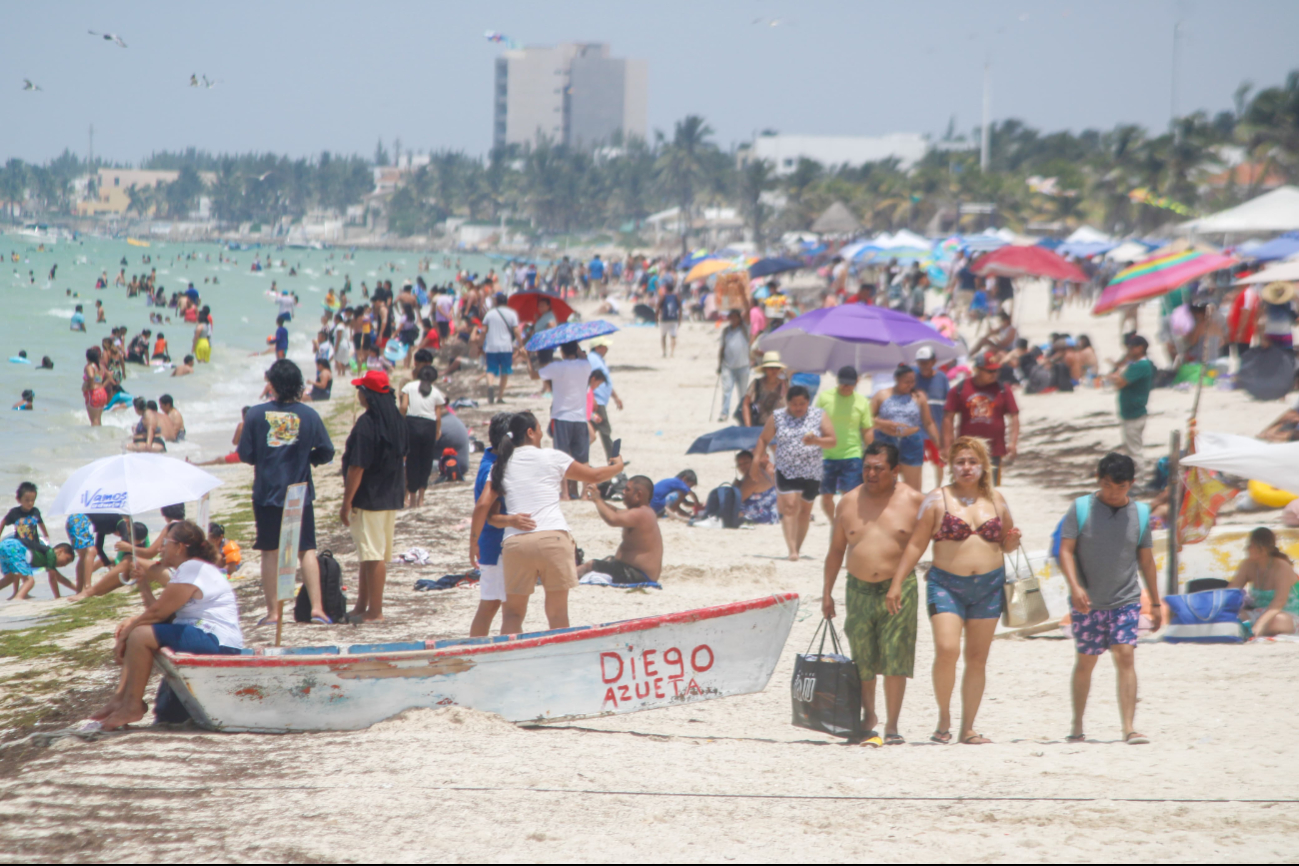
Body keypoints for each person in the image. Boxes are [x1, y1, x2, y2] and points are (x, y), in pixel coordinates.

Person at [888, 436, 1021, 745]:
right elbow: (918, 544)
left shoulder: (997, 500)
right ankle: (944, 718)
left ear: (984, 466)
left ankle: (968, 727)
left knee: (977, 658)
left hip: (988, 586)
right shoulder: (937, 499)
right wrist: (897, 582)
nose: (966, 467)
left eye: (972, 461)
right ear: (951, 466)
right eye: (960, 461)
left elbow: (1007, 542)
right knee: (947, 650)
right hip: (946, 583)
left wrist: (1012, 542)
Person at [469, 411, 625, 635]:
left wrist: (474, 542)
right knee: (557, 614)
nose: (543, 432)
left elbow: (483, 505)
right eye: (540, 428)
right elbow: (595, 476)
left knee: (513, 614)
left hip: (516, 543)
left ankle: (510, 660)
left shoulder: (500, 465)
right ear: (531, 433)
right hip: (553, 538)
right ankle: (561, 665)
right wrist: (617, 466)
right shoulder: (553, 457)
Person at [87, 521, 243, 731]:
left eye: (165, 543)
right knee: (136, 629)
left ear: (179, 547)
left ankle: (132, 705)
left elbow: (158, 613)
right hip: (206, 636)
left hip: (215, 640)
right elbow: (163, 615)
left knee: (139, 635)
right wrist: (143, 585)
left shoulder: (192, 567)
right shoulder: (188, 569)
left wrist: (128, 633)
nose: (160, 549)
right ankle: (121, 699)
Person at [822, 443, 926, 746]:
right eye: (867, 467)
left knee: (896, 656)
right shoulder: (848, 502)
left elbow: (921, 545)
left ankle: (892, 725)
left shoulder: (914, 501)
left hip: (899, 587)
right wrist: (826, 593)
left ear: (895, 470)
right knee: (862, 658)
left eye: (879, 468)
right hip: (857, 588)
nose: (871, 473)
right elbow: (836, 550)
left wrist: (898, 583)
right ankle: (869, 717)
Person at [1059, 453, 1161, 744]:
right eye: (1107, 485)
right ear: (1098, 480)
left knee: (1126, 655)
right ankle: (1077, 725)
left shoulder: (1141, 514)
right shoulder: (1080, 508)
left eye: (1120, 486)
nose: (1113, 492)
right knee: (1086, 662)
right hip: (1087, 602)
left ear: (1132, 483)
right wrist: (1075, 586)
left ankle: (1129, 727)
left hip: (1126, 599)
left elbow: (1146, 560)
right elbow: (1065, 550)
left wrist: (1154, 602)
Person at [238, 359, 336, 627]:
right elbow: (327, 451)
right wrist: (307, 458)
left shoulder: (256, 415)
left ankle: (274, 613)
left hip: (267, 493)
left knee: (270, 552)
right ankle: (316, 609)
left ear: (272, 384)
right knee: (306, 550)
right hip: (299, 492)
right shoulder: (309, 415)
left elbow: (245, 454)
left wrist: (267, 455)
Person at [340, 370, 408, 623]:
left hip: (369, 497)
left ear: (366, 394)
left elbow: (357, 467)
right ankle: (362, 605)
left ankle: (375, 611)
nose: (358, 394)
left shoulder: (368, 424)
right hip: (390, 494)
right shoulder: (397, 420)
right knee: (370, 553)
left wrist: (346, 502)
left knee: (373, 554)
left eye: (360, 389)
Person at [755, 385, 837, 561]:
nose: (799, 407)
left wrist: (816, 440)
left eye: (802, 403)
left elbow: (832, 441)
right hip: (786, 468)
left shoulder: (818, 415)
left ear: (808, 402)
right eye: (794, 404)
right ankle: (792, 549)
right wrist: (757, 458)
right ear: (787, 402)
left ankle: (798, 547)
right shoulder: (778, 417)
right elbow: (763, 438)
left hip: (812, 471)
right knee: (790, 507)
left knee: (805, 510)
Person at [469, 414, 530, 637]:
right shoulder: (493, 468)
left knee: (496, 605)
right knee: (498, 607)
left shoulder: (491, 461)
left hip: (493, 543)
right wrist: (473, 542)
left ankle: (481, 652)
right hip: (496, 544)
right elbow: (484, 509)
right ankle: (480, 653)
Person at [943, 351, 1019, 486]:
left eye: (996, 371)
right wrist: (948, 446)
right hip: (966, 449)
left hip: (994, 448)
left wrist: (1013, 442)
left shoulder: (1003, 389)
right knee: (966, 486)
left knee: (991, 488)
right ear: (977, 369)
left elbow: (1014, 416)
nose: (994, 375)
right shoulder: (960, 389)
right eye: (990, 371)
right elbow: (948, 417)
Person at [526, 341, 590, 500]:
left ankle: (566, 494)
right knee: (583, 458)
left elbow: (534, 375)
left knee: (561, 457)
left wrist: (527, 357)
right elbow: (582, 357)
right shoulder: (586, 365)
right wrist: (581, 352)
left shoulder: (557, 367)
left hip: (561, 416)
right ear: (576, 349)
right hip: (581, 417)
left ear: (561, 352)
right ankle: (584, 494)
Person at [578, 475, 663, 584]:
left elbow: (613, 519)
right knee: (606, 561)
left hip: (637, 574)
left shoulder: (641, 514)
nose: (623, 491)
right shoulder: (643, 511)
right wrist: (598, 500)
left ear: (638, 495)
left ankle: (560, 578)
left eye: (627, 489)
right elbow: (616, 511)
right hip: (635, 572)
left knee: (590, 565)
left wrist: (598, 499)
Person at [872, 365, 942, 492]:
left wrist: (938, 444)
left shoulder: (919, 396)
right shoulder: (882, 395)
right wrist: (885, 424)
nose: (910, 385)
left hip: (911, 441)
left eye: (913, 381)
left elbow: (928, 422)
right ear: (896, 379)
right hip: (886, 441)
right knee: (885, 484)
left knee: (913, 489)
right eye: (906, 382)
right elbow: (868, 419)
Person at [1230, 527, 1299, 637]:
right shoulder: (1247, 565)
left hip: (1286, 614)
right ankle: (1250, 630)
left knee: (1277, 621)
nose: (1247, 549)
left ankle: (1251, 630)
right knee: (1233, 615)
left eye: (1251, 546)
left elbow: (1278, 603)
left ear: (1263, 549)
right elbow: (1231, 591)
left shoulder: (1282, 567)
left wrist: (1259, 625)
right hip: (1259, 612)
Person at [1106, 336, 1154, 480]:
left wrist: (1117, 373)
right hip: (1130, 412)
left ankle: (1138, 481)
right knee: (1130, 449)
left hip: (1135, 413)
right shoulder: (1136, 365)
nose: (1129, 350)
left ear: (1140, 348)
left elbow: (1120, 382)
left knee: (1134, 451)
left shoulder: (1141, 365)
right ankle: (1135, 479)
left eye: (1132, 347)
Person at [399, 365, 445, 507]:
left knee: (412, 461)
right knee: (426, 462)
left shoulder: (408, 387)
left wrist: (402, 422)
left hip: (412, 424)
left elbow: (403, 407)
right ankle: (421, 498)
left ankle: (411, 498)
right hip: (429, 427)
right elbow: (438, 417)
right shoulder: (436, 392)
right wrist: (437, 432)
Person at [912, 347, 950, 489]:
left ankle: (938, 488)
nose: (923, 366)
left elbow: (947, 402)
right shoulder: (913, 378)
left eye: (926, 362)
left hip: (937, 427)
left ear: (934, 361)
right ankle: (917, 489)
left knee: (938, 460)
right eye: (920, 362)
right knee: (917, 462)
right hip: (917, 429)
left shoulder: (942, 378)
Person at [0, 537, 75, 601]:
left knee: (9, 578)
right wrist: (57, 597)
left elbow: (60, 578)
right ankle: (18, 599)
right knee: (29, 581)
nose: (65, 565)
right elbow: (52, 578)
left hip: (4, 545)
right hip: (15, 546)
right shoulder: (51, 554)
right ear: (60, 551)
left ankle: (18, 597)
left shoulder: (47, 559)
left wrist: (78, 589)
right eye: (67, 559)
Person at [586, 337, 623, 461]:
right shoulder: (592, 359)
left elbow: (605, 381)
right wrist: (593, 399)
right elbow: (588, 380)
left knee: (594, 429)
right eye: (604, 346)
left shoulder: (599, 360)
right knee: (605, 430)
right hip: (597, 401)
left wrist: (616, 397)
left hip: (600, 400)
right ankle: (613, 459)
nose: (607, 349)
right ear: (598, 347)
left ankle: (578, 454)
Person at [482, 292, 519, 404]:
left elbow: (484, 331)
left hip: (491, 346)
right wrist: (521, 344)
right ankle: (500, 397)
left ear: (496, 302)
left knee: (490, 369)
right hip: (506, 347)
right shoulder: (512, 314)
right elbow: (516, 331)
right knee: (505, 371)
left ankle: (491, 385)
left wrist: (479, 343)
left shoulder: (489, 314)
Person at [717, 309, 753, 423]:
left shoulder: (745, 329)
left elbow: (748, 312)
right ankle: (724, 413)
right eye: (731, 317)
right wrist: (719, 365)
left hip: (743, 366)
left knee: (743, 392)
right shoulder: (726, 331)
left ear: (739, 318)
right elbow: (722, 348)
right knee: (727, 390)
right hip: (728, 366)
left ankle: (742, 413)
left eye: (735, 317)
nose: (732, 319)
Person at [742, 351, 788, 427]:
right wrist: (748, 426)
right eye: (771, 368)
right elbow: (746, 404)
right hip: (759, 426)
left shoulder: (784, 385)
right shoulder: (756, 384)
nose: (774, 370)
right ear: (765, 369)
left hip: (780, 427)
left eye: (777, 368)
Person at [734, 449, 777, 524]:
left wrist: (735, 487)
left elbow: (737, 500)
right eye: (739, 464)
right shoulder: (760, 471)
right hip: (773, 514)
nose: (742, 466)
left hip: (764, 516)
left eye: (746, 462)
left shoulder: (752, 478)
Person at [83, 346, 108, 426]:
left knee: (94, 421)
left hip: (93, 394)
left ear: (87, 357)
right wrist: (102, 385)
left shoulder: (89, 367)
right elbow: (109, 377)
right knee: (98, 420)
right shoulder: (101, 366)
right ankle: (100, 437)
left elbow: (90, 376)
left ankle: (94, 437)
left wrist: (89, 385)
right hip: (102, 392)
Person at [658, 282, 682, 358]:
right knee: (673, 336)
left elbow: (658, 307)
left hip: (664, 318)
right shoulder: (676, 296)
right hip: (674, 318)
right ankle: (672, 352)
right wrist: (680, 319)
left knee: (663, 336)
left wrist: (656, 318)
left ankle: (664, 352)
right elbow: (680, 308)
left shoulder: (663, 296)